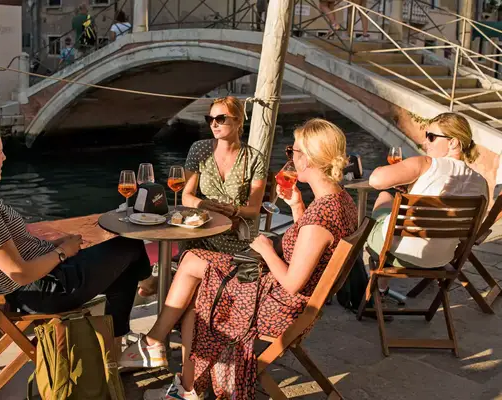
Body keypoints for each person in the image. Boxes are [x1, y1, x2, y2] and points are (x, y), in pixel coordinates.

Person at [121, 119, 358, 400]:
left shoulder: (320, 219)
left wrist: (267, 249)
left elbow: (293, 282)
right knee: (194, 264)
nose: (290, 158)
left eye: (292, 152)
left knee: (197, 287)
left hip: (281, 307)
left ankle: (179, 379)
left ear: (307, 159)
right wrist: (296, 205)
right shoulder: (340, 200)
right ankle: (168, 361)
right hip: (290, 300)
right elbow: (311, 247)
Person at [0, 119, 156, 353]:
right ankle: (144, 287)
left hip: (44, 276)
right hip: (41, 291)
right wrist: (62, 252)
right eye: (0, 152)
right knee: (127, 245)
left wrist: (54, 245)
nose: (5, 158)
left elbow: (14, 249)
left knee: (120, 251)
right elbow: (19, 273)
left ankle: (118, 345)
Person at [367, 112, 488, 294]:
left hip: (400, 254)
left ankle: (379, 289)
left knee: (385, 197)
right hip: (441, 260)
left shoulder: (425, 163)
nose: (425, 143)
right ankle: (383, 288)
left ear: (453, 142)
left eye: (431, 137)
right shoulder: (481, 183)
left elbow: (375, 180)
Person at [180, 96, 268, 254]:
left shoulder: (254, 158)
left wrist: (235, 210)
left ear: (238, 120)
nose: (213, 124)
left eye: (220, 119)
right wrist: (202, 204)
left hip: (236, 235)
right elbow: (186, 196)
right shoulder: (199, 150)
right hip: (202, 230)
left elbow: (254, 209)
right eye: (210, 119)